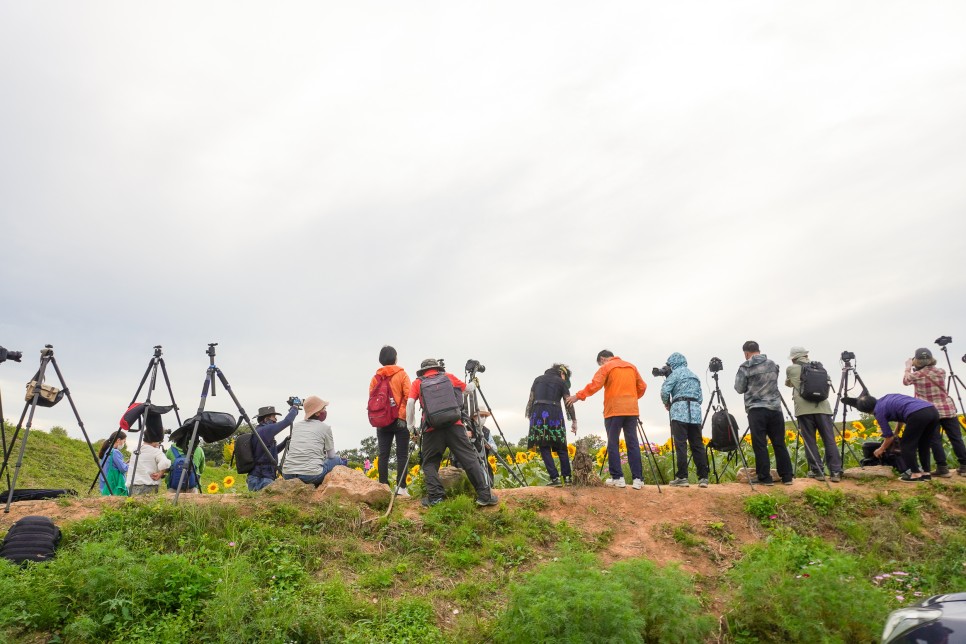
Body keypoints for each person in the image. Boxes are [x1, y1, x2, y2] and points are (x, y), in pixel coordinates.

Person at [407, 358, 498, 508]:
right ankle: (484, 495)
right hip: (454, 425)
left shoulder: (418, 382)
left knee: (429, 463)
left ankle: (436, 498)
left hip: (431, 427)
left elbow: (410, 403)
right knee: (469, 458)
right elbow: (468, 389)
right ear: (437, 368)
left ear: (423, 370)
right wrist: (475, 383)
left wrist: (411, 427)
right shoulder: (448, 377)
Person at [566, 350, 647, 489]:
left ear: (602, 359)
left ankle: (618, 478)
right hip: (631, 410)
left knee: (613, 443)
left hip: (614, 410)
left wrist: (578, 396)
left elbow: (595, 385)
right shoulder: (631, 366)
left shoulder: (606, 367)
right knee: (632, 443)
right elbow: (643, 386)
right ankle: (638, 480)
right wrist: (631, 398)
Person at [734, 341, 793, 486]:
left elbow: (739, 388)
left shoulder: (745, 366)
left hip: (756, 409)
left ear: (746, 353)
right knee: (779, 443)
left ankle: (765, 477)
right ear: (758, 350)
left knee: (760, 444)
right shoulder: (773, 364)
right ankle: (787, 477)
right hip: (775, 408)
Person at [845, 392, 939, 481]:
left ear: (866, 411)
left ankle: (915, 474)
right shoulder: (886, 399)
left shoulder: (878, 411)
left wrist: (881, 449)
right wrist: (896, 432)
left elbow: (888, 436)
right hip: (932, 410)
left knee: (906, 446)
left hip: (917, 414)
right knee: (924, 444)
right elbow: (901, 416)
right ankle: (926, 473)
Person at [903, 347, 966, 478]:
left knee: (935, 440)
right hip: (948, 409)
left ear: (917, 361)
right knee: (956, 438)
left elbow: (905, 381)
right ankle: (964, 466)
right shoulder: (941, 372)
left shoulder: (916, 375)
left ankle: (942, 468)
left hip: (930, 412)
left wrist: (908, 366)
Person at [785, 347, 843, 482]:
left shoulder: (791, 369)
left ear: (794, 358)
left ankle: (817, 471)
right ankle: (835, 472)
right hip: (823, 408)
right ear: (806, 355)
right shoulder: (820, 367)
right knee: (829, 440)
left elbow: (789, 383)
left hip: (804, 410)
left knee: (810, 441)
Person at [659, 352, 710, 488]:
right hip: (694, 412)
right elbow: (700, 398)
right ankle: (703, 477)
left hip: (679, 411)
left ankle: (682, 477)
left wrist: (667, 403)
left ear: (673, 364)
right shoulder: (695, 376)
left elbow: (664, 391)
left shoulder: (675, 374)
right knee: (697, 444)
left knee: (681, 444)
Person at [370, 345, 413, 497]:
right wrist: (403, 417)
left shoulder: (375, 378)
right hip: (399, 420)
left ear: (381, 360)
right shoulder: (402, 375)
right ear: (395, 358)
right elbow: (409, 397)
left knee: (383, 455)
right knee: (402, 454)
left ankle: (383, 486)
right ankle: (401, 488)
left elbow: (373, 400)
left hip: (382, 421)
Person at [526, 364, 577, 487]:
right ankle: (568, 478)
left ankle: (555, 479)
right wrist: (574, 420)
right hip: (554, 413)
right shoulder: (561, 382)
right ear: (562, 373)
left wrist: (530, 416)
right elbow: (568, 401)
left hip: (538, 414)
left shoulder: (537, 379)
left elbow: (531, 400)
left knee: (544, 447)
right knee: (561, 445)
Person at [281, 396, 343, 486]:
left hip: (288, 474)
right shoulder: (325, 428)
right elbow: (331, 455)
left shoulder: (296, 426)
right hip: (310, 476)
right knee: (336, 459)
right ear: (317, 413)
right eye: (324, 408)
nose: (325, 411)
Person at [247, 403, 299, 491]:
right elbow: (288, 421)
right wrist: (294, 408)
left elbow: (272, 452)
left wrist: (285, 441)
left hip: (255, 476)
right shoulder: (266, 430)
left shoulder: (259, 431)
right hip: (263, 478)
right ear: (266, 419)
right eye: (274, 417)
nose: (276, 419)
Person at [126, 425, 171, 495]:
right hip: (148, 486)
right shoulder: (156, 451)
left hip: (133, 485)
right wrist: (160, 473)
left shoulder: (136, 449)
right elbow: (165, 463)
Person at [98, 431, 129, 496]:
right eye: (124, 441)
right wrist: (130, 464)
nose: (124, 443)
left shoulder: (107, 450)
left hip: (105, 485)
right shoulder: (115, 452)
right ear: (118, 440)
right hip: (112, 485)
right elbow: (123, 469)